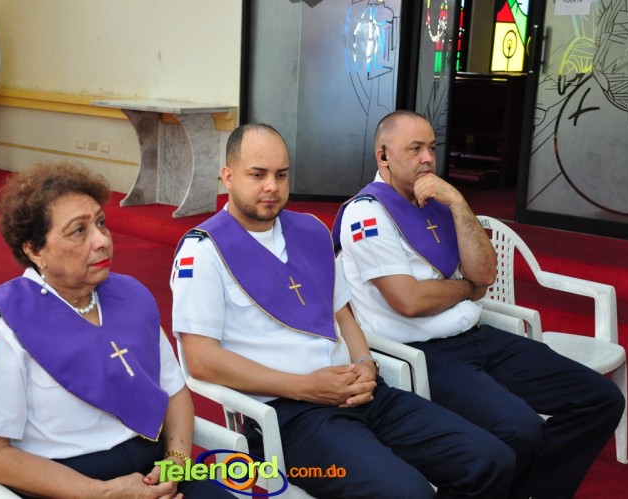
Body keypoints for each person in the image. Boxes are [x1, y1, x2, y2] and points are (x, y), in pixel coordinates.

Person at [171, 123, 516, 498]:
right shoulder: (203, 251)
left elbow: (343, 315)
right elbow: (201, 360)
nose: (272, 186)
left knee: (490, 459)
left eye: (281, 174)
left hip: (361, 392)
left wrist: (366, 362)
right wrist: (304, 387)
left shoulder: (311, 231)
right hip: (290, 417)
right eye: (258, 174)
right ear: (228, 176)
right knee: (408, 493)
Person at [333, 110, 625, 499]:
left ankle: (529, 491)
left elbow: (484, 274)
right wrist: (466, 290)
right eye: (415, 149)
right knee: (521, 429)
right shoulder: (366, 213)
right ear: (383, 155)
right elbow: (409, 301)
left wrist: (457, 202)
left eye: (431, 148)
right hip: (423, 353)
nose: (427, 159)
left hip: (477, 336)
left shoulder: (438, 200)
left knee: (600, 399)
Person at [0, 162, 233, 499]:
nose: (102, 241)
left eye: (101, 223)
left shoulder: (131, 297)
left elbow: (174, 391)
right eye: (79, 231)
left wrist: (175, 464)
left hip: (157, 474)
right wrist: (105, 493)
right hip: (70, 487)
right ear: (34, 249)